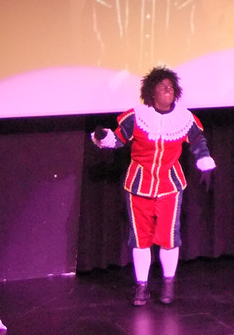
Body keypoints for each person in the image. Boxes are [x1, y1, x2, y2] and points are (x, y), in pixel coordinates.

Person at [91, 66, 216, 306]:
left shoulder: (184, 118)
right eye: (162, 86)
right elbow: (118, 139)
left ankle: (168, 286)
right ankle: (141, 288)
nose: (168, 89)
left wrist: (204, 160)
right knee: (140, 238)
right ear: (152, 93)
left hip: (170, 185)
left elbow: (198, 140)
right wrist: (103, 137)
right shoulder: (137, 117)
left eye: (171, 86)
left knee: (169, 237)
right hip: (139, 185)